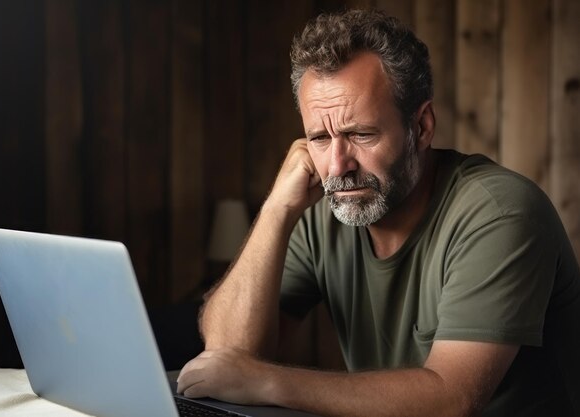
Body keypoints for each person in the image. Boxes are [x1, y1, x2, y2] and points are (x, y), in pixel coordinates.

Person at [177, 9, 580, 417]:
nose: (337, 167)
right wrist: (277, 209)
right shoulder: (324, 210)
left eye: (361, 134)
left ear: (421, 127)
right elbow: (227, 357)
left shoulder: (500, 213)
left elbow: (450, 400)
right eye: (319, 137)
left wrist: (266, 381)